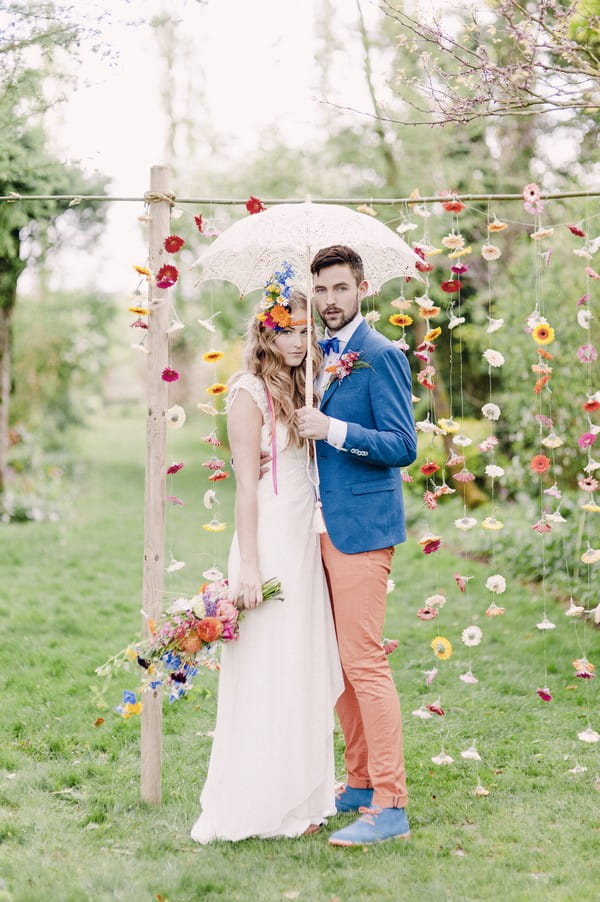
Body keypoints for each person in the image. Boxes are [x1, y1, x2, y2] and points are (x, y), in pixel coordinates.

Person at [191, 269, 343, 843]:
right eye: (289, 331)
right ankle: (261, 798)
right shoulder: (248, 393)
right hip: (267, 540)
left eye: (306, 331)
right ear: (267, 332)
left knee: (301, 660)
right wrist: (248, 566)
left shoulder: (310, 386)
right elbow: (247, 488)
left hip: (305, 537)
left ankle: (304, 796)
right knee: (267, 665)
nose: (300, 341)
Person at [296, 244, 417, 847]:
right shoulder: (319, 357)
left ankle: (391, 804)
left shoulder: (381, 354)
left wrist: (333, 429)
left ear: (362, 289)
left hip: (363, 532)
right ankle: (362, 781)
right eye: (320, 291)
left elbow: (402, 444)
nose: (329, 301)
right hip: (317, 527)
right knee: (339, 666)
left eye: (340, 288)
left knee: (365, 663)